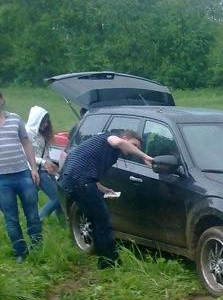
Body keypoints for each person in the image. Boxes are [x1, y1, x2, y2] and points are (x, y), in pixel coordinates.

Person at [58, 130, 153, 268]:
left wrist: (103, 189)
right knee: (103, 221)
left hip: (76, 180)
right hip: (79, 180)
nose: (135, 149)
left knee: (96, 220)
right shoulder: (111, 137)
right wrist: (144, 156)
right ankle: (110, 260)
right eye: (134, 145)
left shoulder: (110, 153)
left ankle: (104, 259)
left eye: (138, 147)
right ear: (125, 137)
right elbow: (118, 142)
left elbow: (91, 171)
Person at [0, 90, 42, 263]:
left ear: (2, 100)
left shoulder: (15, 118)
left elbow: (26, 142)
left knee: (32, 214)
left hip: (22, 174)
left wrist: (33, 168)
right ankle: (20, 252)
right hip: (2, 179)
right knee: (11, 218)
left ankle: (38, 248)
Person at [25, 106, 62, 221]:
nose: (46, 125)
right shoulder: (27, 133)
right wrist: (44, 162)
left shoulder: (42, 134)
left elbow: (44, 154)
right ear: (36, 121)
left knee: (61, 193)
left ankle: (61, 222)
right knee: (56, 197)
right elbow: (26, 154)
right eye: (43, 122)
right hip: (35, 170)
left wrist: (53, 165)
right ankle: (40, 220)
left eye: (47, 122)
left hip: (45, 168)